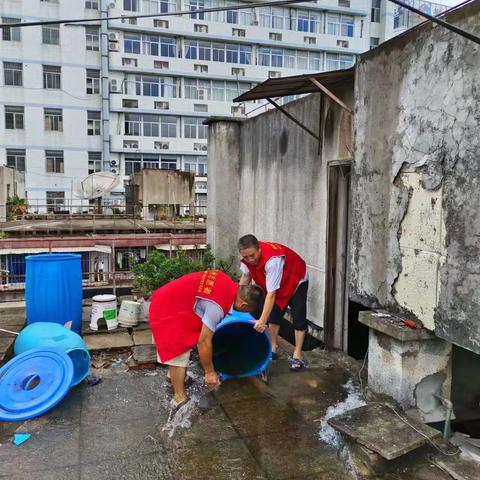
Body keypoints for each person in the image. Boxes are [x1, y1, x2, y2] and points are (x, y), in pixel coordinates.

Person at [149, 270, 265, 409]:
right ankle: (179, 397)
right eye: (246, 312)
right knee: (179, 350)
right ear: (243, 305)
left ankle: (173, 376)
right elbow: (203, 341)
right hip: (168, 308)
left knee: (187, 341)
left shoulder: (225, 281)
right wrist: (209, 372)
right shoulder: (218, 306)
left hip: (170, 297)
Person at [238, 234, 308, 372]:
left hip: (295, 279)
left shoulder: (272, 260)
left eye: (252, 255)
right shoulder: (247, 260)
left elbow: (271, 294)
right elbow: (245, 279)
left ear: (259, 249)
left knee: (298, 316)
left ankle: (298, 354)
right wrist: (235, 304)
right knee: (274, 314)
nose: (250, 260)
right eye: (245, 257)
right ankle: (272, 348)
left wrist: (261, 321)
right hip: (277, 284)